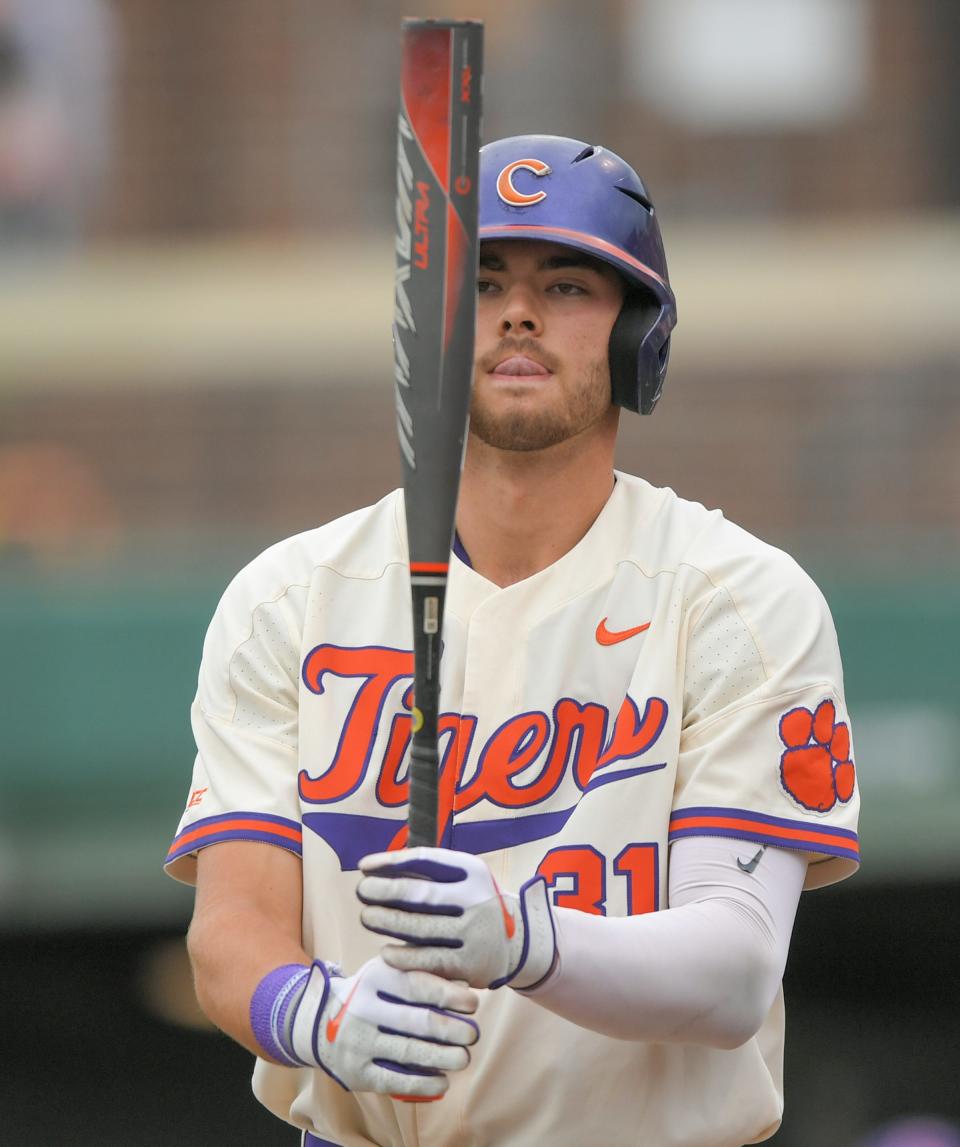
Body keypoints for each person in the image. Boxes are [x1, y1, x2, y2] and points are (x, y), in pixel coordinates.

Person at [165, 135, 860, 1147]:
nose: (519, 311)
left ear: (636, 334)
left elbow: (735, 970)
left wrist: (528, 940)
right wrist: (311, 1014)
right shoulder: (291, 598)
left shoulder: (737, 598)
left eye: (568, 283)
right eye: (482, 279)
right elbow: (229, 931)